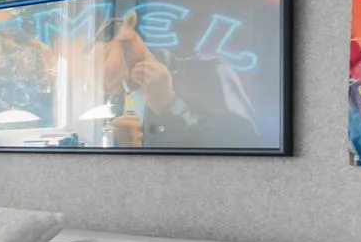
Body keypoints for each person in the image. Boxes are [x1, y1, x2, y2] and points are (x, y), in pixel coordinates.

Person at [97, 11, 265, 149]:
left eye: (107, 54)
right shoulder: (118, 96)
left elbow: (248, 141)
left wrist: (170, 103)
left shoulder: (211, 72)